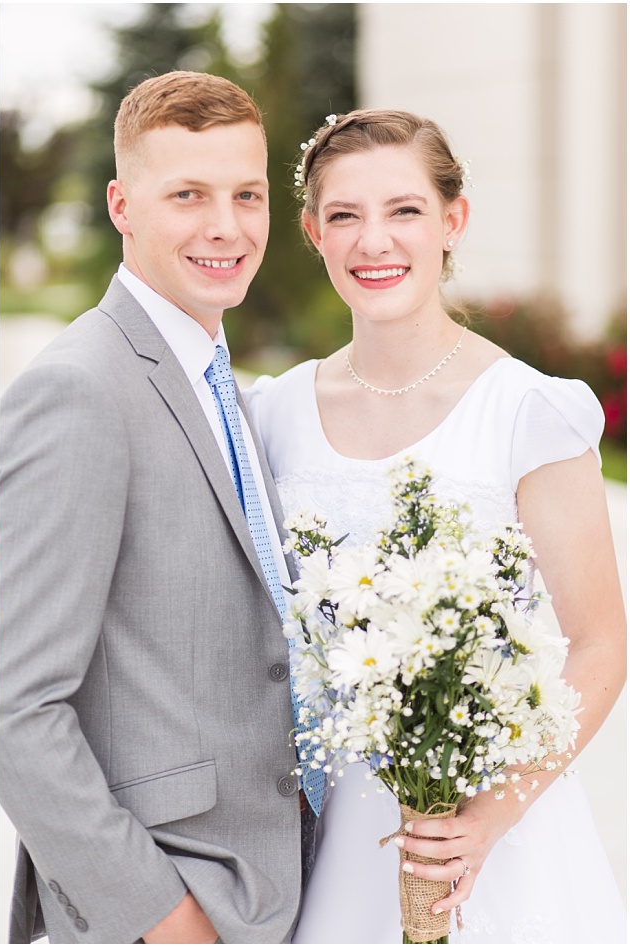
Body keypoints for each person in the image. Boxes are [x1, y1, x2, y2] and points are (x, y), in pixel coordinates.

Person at [249, 108, 627, 944]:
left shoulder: (528, 410)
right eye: (344, 215)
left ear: (452, 220)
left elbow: (601, 642)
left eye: (405, 211)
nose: (373, 241)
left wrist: (486, 818)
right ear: (313, 233)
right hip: (326, 840)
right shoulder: (275, 413)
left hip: (492, 839)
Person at [0, 71, 306, 944]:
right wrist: (163, 920)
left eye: (247, 194)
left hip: (268, 886)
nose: (227, 226)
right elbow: (19, 712)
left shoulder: (219, 380)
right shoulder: (78, 388)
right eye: (188, 196)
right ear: (121, 205)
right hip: (174, 900)